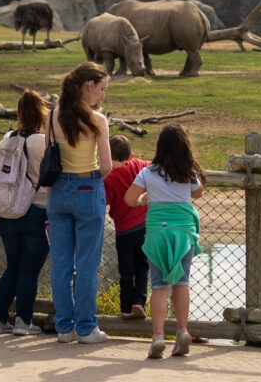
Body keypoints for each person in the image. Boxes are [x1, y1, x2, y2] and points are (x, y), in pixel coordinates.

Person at [124, 124, 205, 359]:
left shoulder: (148, 172)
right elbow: (197, 193)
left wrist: (143, 199)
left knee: (159, 286)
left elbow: (129, 199)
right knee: (182, 281)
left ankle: (158, 337)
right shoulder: (188, 171)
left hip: (158, 231)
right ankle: (182, 331)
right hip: (184, 231)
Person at [48, 62, 112, 344]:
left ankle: (63, 327)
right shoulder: (97, 120)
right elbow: (107, 166)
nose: (103, 95)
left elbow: (51, 157)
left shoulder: (53, 115)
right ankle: (86, 327)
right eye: (102, 89)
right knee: (86, 264)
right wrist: (91, 179)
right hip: (88, 186)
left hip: (59, 189)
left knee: (61, 263)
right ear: (89, 86)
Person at [0, 90, 51, 336]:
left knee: (12, 266)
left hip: (7, 208)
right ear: (41, 112)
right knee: (29, 269)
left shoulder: (7, 138)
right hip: (34, 207)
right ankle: (23, 320)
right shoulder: (41, 141)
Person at [102, 135, 151, 320]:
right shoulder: (139, 165)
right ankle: (139, 301)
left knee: (126, 270)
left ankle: (125, 307)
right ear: (131, 154)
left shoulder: (108, 178)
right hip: (144, 224)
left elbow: (105, 200)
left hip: (124, 230)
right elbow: (154, 165)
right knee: (142, 266)